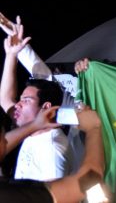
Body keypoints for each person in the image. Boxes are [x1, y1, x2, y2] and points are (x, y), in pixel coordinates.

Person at [0, 18, 73, 181]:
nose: (17, 105)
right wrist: (11, 54)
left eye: (26, 100)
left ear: (46, 107)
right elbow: (5, 100)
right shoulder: (31, 129)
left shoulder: (53, 149)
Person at [0, 104, 106, 203]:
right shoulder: (10, 195)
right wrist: (93, 128)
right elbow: (89, 180)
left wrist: (35, 124)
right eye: (3, 136)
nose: (6, 140)